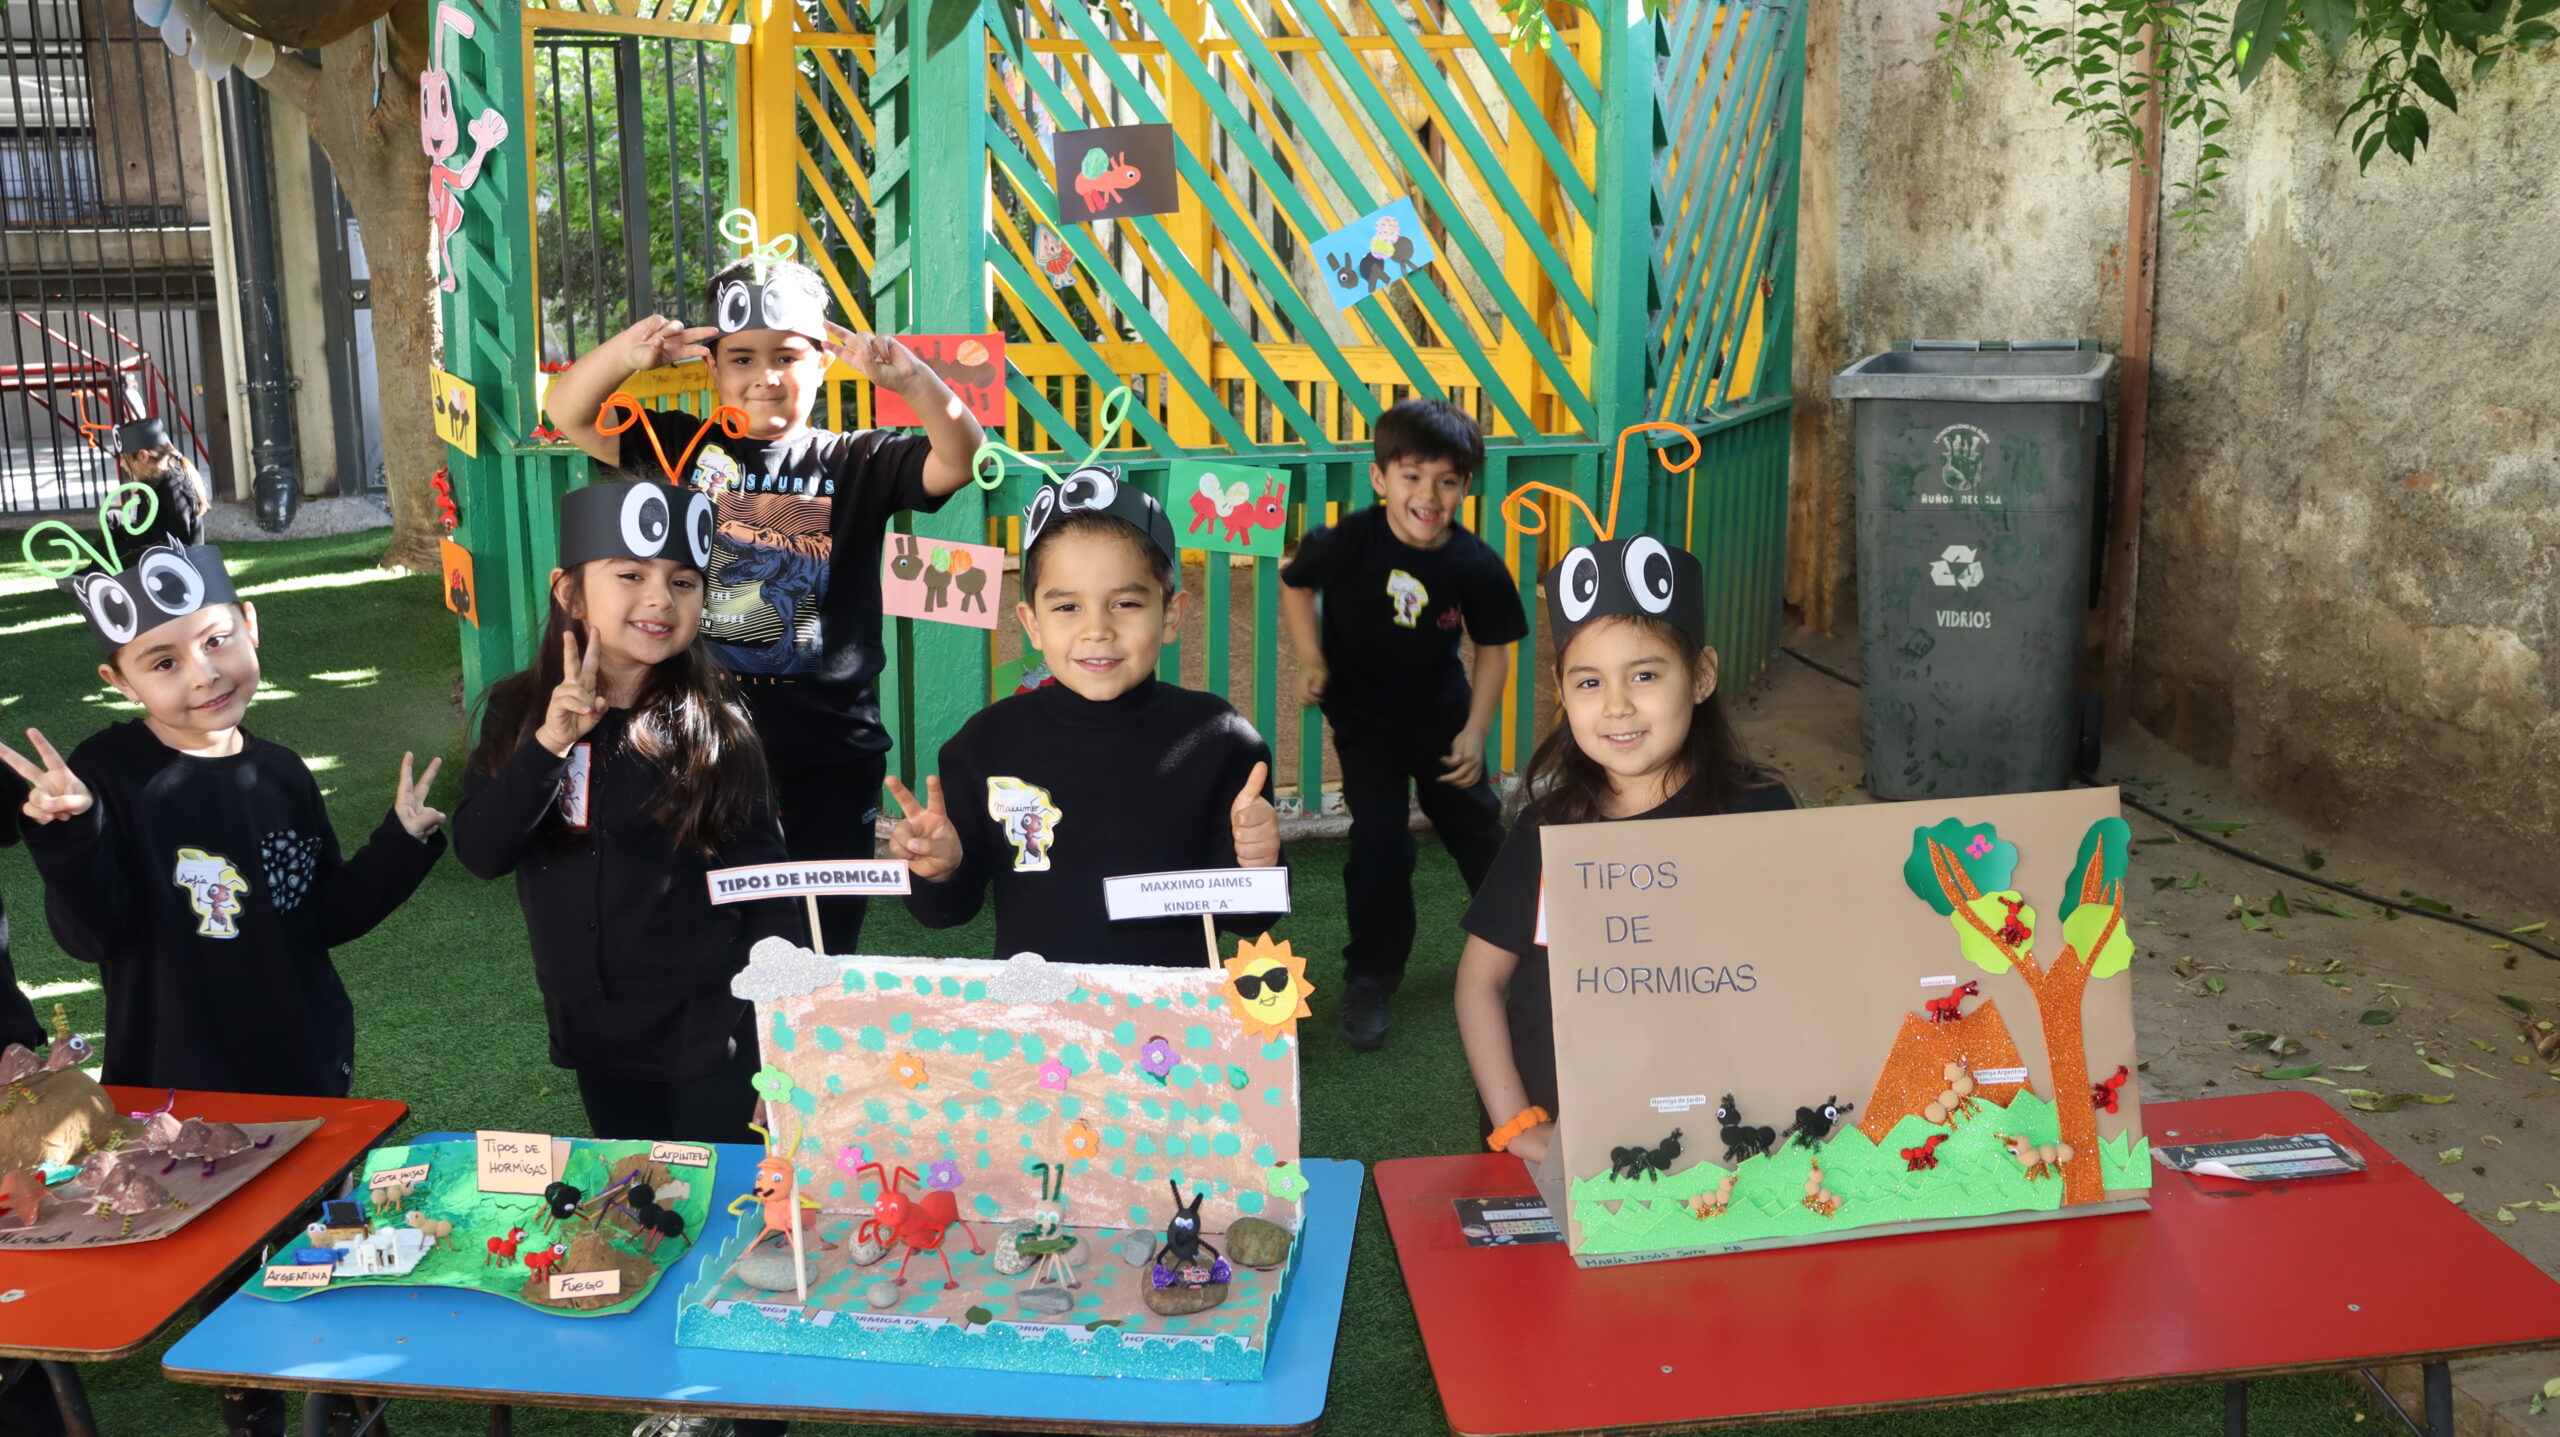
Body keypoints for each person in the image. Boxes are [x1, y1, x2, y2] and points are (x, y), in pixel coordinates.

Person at [541, 246, 983, 954]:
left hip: (831, 755)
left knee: (821, 941)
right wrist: (630, 353)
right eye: (741, 358)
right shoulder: (679, 446)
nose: (765, 377)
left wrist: (913, 380)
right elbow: (568, 410)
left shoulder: (857, 460)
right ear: (712, 367)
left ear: (824, 361)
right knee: (709, 933)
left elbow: (958, 457)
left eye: (787, 356)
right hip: (700, 743)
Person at [1, 537, 445, 1098]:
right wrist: (73, 834)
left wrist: (400, 843)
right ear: (121, 682)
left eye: (216, 640)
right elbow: (91, 937)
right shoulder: (104, 775)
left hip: (301, 1061)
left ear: (249, 625)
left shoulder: (282, 773)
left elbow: (322, 916)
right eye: (165, 662)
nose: (205, 674)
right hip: (166, 1076)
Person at [453, 475, 804, 1148]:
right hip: (590, 1029)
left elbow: (769, 895)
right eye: (630, 574)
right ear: (570, 593)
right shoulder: (517, 711)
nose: (659, 598)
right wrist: (548, 746)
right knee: (633, 1184)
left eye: (683, 581)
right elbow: (481, 851)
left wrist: (784, 1037)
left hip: (710, 1029)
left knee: (716, 1186)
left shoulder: (719, 729)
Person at [1454, 535, 1794, 1167]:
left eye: (1644, 675)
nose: (1617, 705)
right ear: (1561, 690)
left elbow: (1798, 964)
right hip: (1563, 1136)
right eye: (1589, 681)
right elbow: (1479, 980)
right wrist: (1516, 1124)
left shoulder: (1758, 811)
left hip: (1717, 1131)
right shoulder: (1545, 831)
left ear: (1701, 676)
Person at [889, 466, 1281, 966]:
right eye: (1067, 607)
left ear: (1171, 615)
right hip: (1037, 1007)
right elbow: (948, 912)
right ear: (1032, 623)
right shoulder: (986, 743)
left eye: (1126, 602)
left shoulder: (1220, 740)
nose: (1097, 629)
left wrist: (1257, 860)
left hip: (1174, 1010)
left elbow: (1250, 918)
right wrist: (941, 870)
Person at [1281, 399, 1525, 1050]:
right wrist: (1311, 657)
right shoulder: (1348, 541)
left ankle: (1532, 950)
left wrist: (1476, 731)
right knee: (1380, 847)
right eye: (1412, 475)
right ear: (1380, 477)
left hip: (1445, 724)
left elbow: (1494, 649)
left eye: (1446, 480)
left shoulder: (1474, 563)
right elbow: (1295, 583)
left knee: (1477, 832)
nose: (1428, 495)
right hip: (1367, 728)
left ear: (1465, 487)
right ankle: (1370, 977)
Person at [112, 416, 212, 549]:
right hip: (151, 553)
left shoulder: (173, 489)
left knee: (110, 546)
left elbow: (178, 545)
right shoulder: (154, 483)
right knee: (112, 520)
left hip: (165, 559)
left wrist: (124, 547)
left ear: (142, 456)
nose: (122, 464)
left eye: (124, 458)